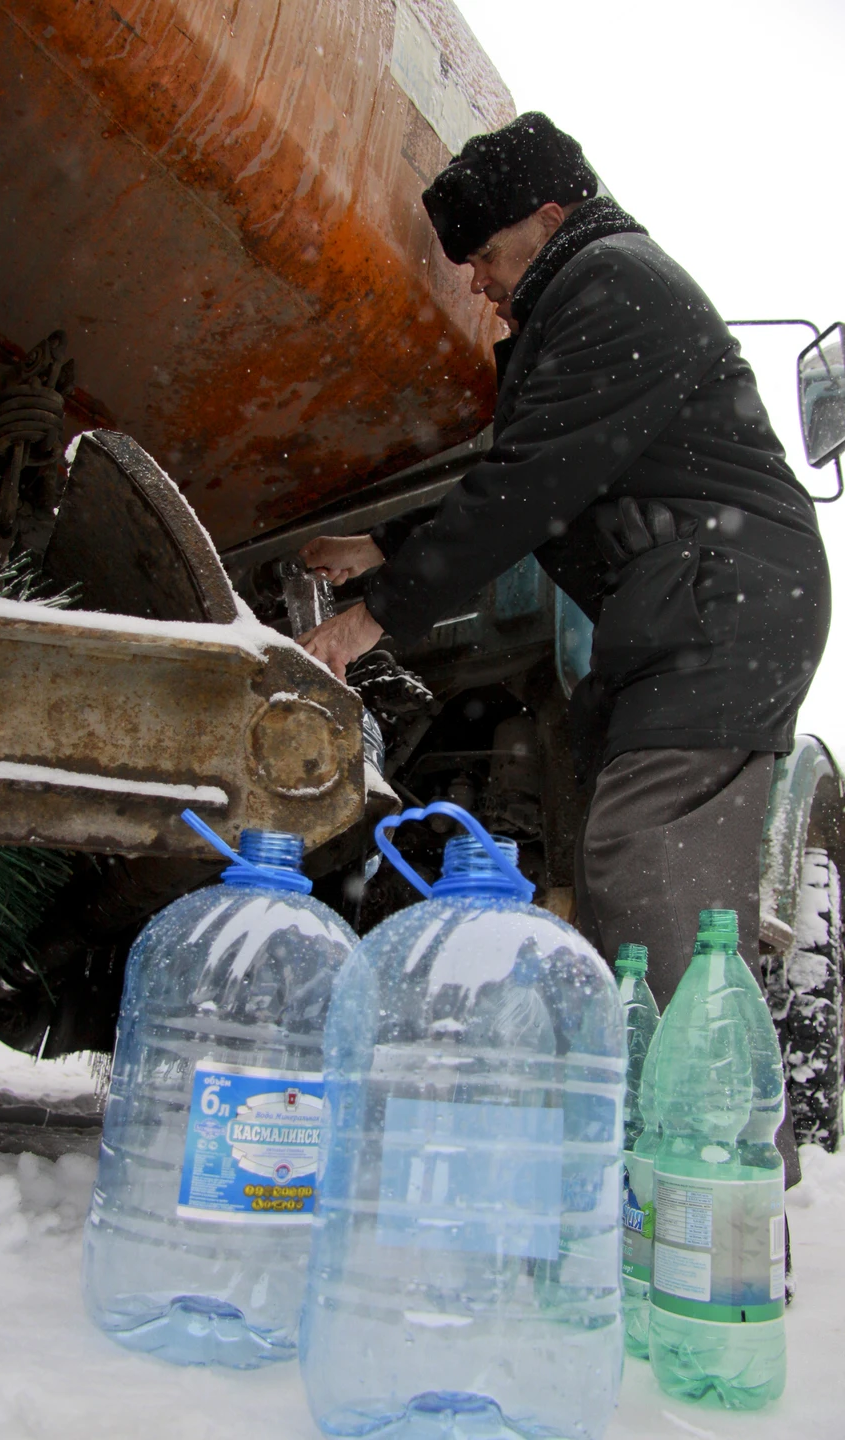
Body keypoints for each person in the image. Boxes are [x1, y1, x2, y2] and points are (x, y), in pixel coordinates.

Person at [298, 113, 830, 1184]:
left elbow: (533, 485)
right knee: (617, 866)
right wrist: (390, 545)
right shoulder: (584, 299)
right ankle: (658, 1150)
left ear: (552, 217)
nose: (482, 287)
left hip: (721, 603)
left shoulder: (614, 283)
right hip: (688, 597)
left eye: (490, 259)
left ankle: (714, 1178)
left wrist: (368, 619)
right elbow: (549, 484)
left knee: (648, 859)